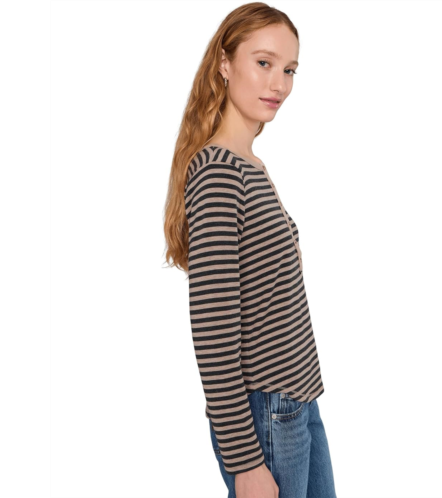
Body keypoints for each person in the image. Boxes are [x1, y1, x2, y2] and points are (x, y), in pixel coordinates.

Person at [163, 3, 338, 497]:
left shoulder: (250, 165)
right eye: (264, 63)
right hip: (266, 415)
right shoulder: (220, 173)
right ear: (225, 63)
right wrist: (245, 461)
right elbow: (213, 327)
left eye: (289, 70)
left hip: (296, 401)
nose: (278, 84)